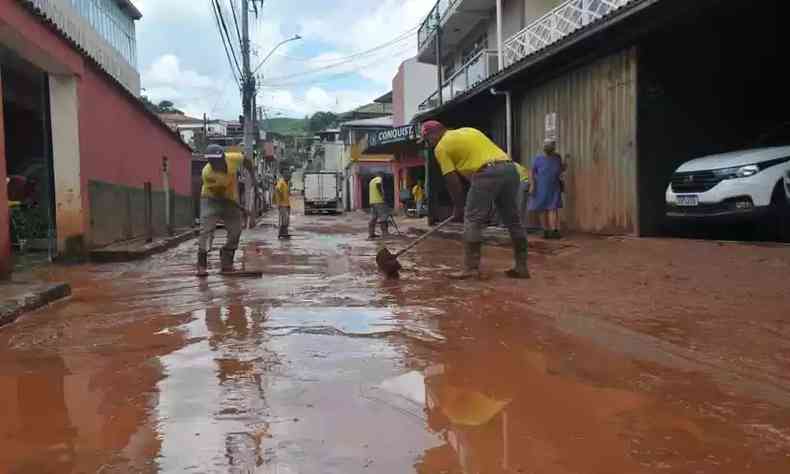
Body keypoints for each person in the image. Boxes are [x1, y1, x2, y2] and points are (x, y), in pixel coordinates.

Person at [420, 121, 529, 279]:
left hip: (486, 172)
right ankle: (521, 267)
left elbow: (452, 180)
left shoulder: (441, 147)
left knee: (472, 220)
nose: (428, 143)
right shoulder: (468, 130)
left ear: (433, 134)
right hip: (510, 169)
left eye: (427, 139)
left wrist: (459, 206)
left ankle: (471, 269)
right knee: (513, 220)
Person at [197, 144, 254, 276]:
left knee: (236, 231)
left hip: (230, 199)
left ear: (223, 157)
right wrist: (242, 208)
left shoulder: (232, 158)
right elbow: (222, 197)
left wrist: (253, 177)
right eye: (212, 161)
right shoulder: (208, 174)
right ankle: (202, 265)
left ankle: (227, 262)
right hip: (211, 199)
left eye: (217, 160)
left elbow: (247, 161)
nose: (215, 163)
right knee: (206, 231)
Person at [528, 139, 566, 239]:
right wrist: (532, 185)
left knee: (553, 208)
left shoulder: (557, 157)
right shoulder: (538, 159)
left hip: (554, 186)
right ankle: (545, 231)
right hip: (540, 186)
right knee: (542, 208)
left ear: (553, 147)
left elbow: (561, 169)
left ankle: (553, 231)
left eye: (550, 145)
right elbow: (531, 172)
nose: (548, 147)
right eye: (547, 145)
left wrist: (565, 161)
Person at [368, 173, 389, 239]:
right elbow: (378, 185)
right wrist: (382, 195)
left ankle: (371, 234)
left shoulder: (371, 181)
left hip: (372, 202)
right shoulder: (379, 179)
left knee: (373, 217)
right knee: (384, 216)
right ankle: (385, 233)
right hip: (379, 201)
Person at [514, 162, 530, 232]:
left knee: (520, 205)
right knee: (522, 205)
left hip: (523, 183)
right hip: (525, 183)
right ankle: (521, 225)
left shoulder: (510, 165)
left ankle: (520, 227)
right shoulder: (515, 164)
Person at [274, 174, 291, 239]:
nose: (289, 178)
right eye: (288, 177)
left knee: (286, 219)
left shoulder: (286, 183)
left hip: (286, 204)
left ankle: (284, 233)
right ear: (285, 176)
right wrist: (280, 196)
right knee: (284, 219)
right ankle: (282, 233)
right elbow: (277, 188)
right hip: (282, 205)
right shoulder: (281, 181)